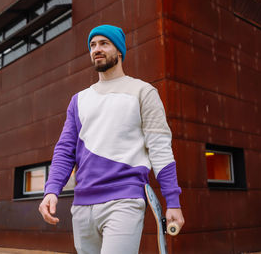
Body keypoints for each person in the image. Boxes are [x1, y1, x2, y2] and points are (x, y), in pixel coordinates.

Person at [38, 24, 184, 254]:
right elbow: (65, 151)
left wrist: (172, 201)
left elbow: (160, 149)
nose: (97, 49)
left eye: (104, 43)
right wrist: (51, 190)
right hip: (82, 205)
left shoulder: (143, 92)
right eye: (93, 45)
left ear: (119, 51)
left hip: (124, 200)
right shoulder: (79, 100)